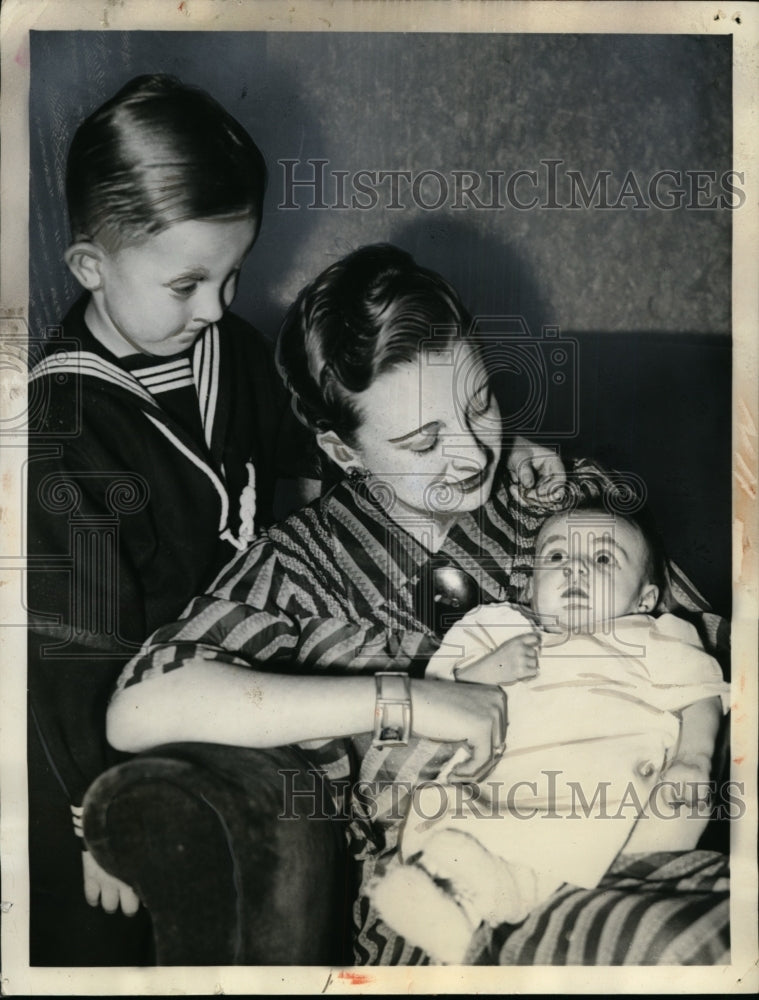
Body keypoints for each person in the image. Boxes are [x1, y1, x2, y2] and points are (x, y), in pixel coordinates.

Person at [105, 244, 728, 966]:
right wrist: (409, 700)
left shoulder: (549, 501)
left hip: (648, 837)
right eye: (424, 440)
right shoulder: (301, 566)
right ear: (342, 452)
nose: (470, 455)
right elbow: (138, 710)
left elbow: (702, 647)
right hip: (462, 899)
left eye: (481, 404)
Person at [26, 74, 319, 965]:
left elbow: (295, 456)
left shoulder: (227, 348)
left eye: (232, 274)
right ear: (91, 269)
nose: (218, 307)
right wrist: (96, 815)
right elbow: (74, 643)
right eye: (188, 283)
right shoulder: (64, 429)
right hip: (110, 719)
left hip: (226, 663)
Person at [371, 477, 730, 964]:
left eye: (603, 559)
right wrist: (488, 670)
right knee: (445, 816)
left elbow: (702, 693)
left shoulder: (659, 634)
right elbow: (438, 701)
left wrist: (694, 758)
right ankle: (465, 905)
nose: (576, 568)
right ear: (530, 585)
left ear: (644, 600)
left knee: (596, 832)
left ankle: (484, 913)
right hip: (500, 781)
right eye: (557, 557)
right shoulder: (494, 627)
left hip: (603, 781)